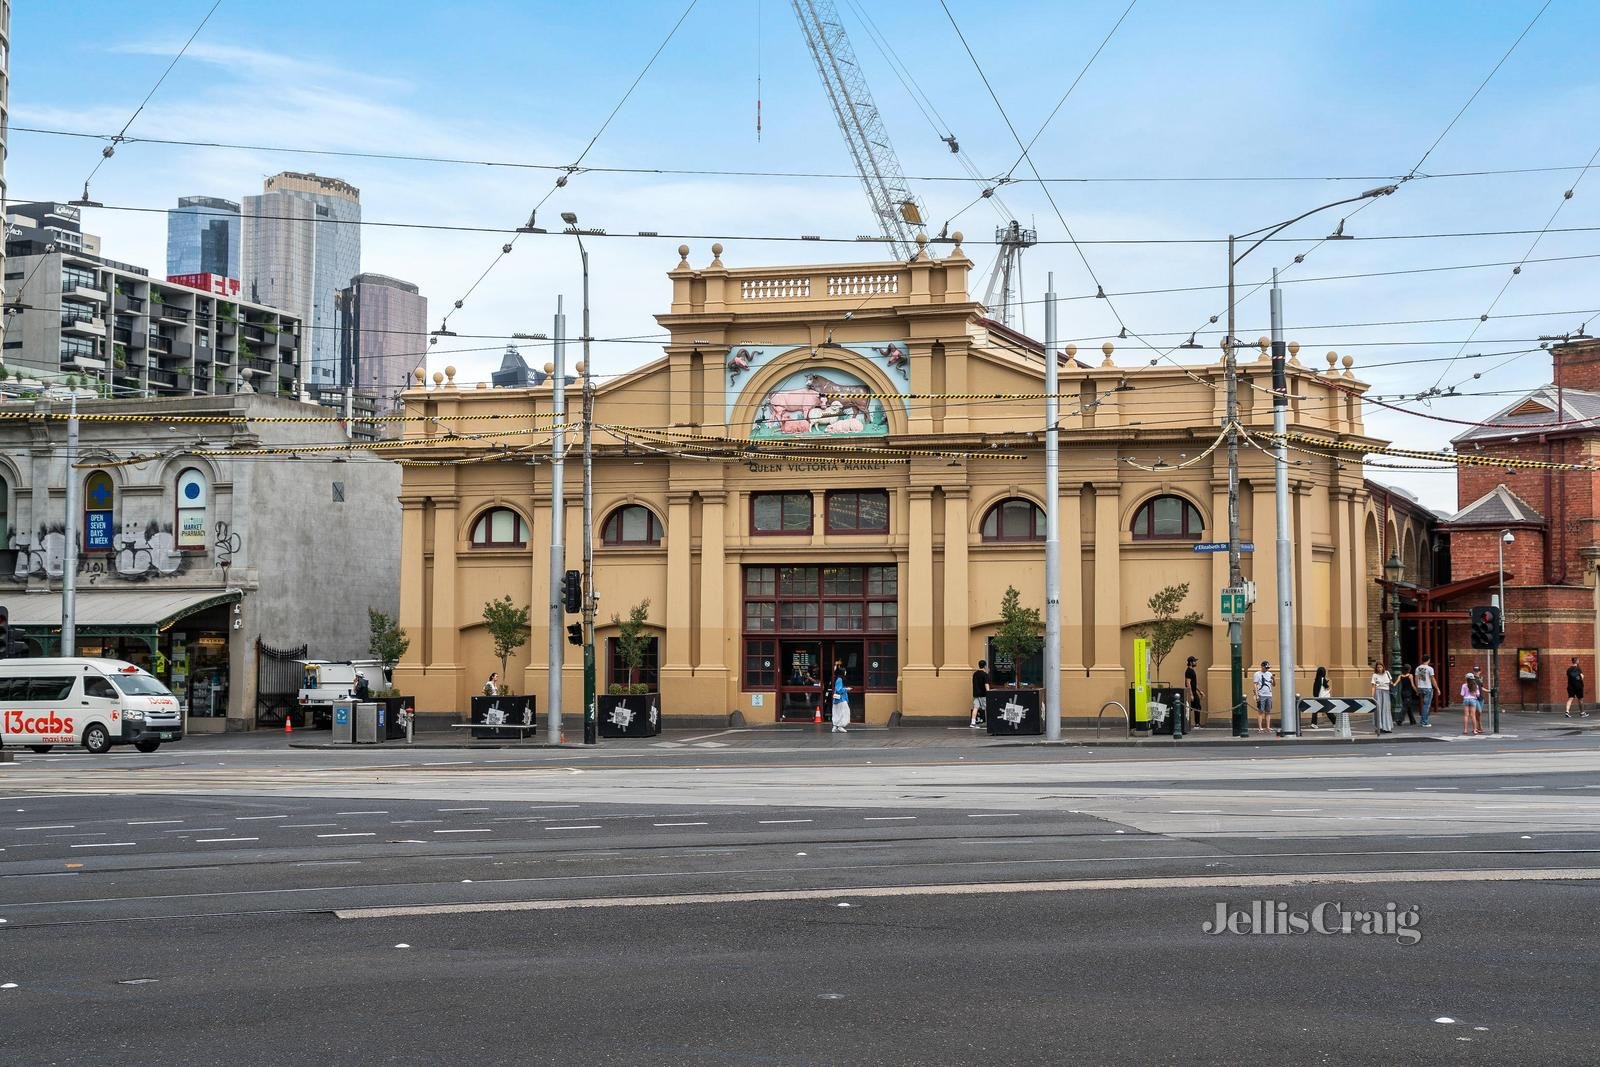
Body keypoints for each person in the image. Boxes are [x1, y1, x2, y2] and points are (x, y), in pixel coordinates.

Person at [1370, 661, 1394, 734]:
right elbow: (1373, 686)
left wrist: (1392, 684)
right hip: (1378, 692)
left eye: (1380, 667)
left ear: (1383, 667)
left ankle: (1387, 727)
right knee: (1379, 710)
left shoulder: (1387, 673)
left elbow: (1391, 682)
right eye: (1378, 667)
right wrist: (1372, 696)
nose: (1379, 669)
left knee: (1386, 710)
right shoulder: (1374, 675)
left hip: (1386, 692)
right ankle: (1379, 727)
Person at [1252, 660, 1274, 734]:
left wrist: (1273, 679)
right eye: (1266, 667)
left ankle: (1267, 727)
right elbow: (1255, 684)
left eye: (1268, 668)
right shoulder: (1257, 674)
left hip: (1269, 694)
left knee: (1268, 711)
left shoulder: (1269, 674)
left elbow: (1273, 684)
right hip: (1261, 694)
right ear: (1262, 667)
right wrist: (1257, 695)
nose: (1267, 669)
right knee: (1260, 711)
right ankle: (1260, 728)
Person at [1414, 655, 1436, 727]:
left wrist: (1417, 688)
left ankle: (1422, 720)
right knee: (1426, 706)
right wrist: (1437, 688)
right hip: (1427, 688)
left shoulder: (1418, 668)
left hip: (1420, 687)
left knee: (1424, 705)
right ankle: (1424, 722)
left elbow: (1416, 679)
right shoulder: (1430, 668)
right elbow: (1432, 679)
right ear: (1428, 660)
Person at [1184, 655, 1204, 729]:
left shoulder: (1192, 670)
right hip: (1191, 692)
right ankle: (1196, 724)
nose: (1196, 662)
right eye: (1194, 661)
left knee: (1194, 707)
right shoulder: (1188, 671)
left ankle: (1196, 723)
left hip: (1194, 692)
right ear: (1191, 662)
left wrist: (1200, 691)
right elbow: (1188, 683)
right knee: (1196, 707)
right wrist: (1191, 694)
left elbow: (1194, 684)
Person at [970, 659, 990, 728]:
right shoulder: (985, 674)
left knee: (976, 707)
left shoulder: (975, 674)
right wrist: (989, 692)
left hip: (976, 693)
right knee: (987, 707)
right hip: (983, 694)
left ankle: (972, 723)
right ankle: (989, 722)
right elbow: (986, 684)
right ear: (985, 666)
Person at [830, 665, 850, 734]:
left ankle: (835, 726)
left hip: (837, 700)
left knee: (836, 713)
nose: (846, 672)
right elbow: (839, 690)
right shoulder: (840, 679)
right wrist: (846, 689)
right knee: (844, 712)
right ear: (842, 672)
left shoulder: (837, 679)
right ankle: (840, 726)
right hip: (841, 699)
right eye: (845, 671)